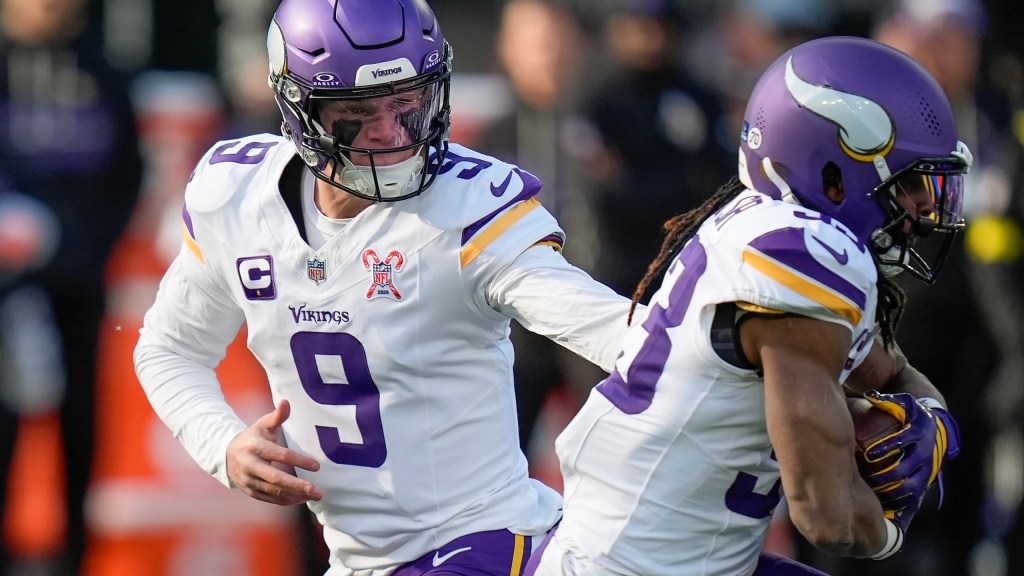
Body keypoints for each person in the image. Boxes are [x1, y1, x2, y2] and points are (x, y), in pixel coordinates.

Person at [133, 1, 636, 575]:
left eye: (407, 104)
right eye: (357, 111)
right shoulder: (239, 197)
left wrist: (723, 341)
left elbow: (614, 332)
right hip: (360, 560)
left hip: (484, 538)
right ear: (300, 107)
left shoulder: (469, 212)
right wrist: (221, 444)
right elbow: (169, 349)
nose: (392, 134)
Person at [524, 36, 967, 576]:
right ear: (835, 175)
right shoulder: (805, 261)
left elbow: (894, 374)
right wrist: (893, 530)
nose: (925, 206)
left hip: (662, 552)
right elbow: (828, 518)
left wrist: (933, 417)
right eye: (914, 181)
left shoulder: (768, 230)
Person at [0, 0, 143, 572]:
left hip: (80, 278)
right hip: (7, 282)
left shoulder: (100, 69)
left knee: (82, 416)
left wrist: (89, 251)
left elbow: (127, 171)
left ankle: (75, 555)